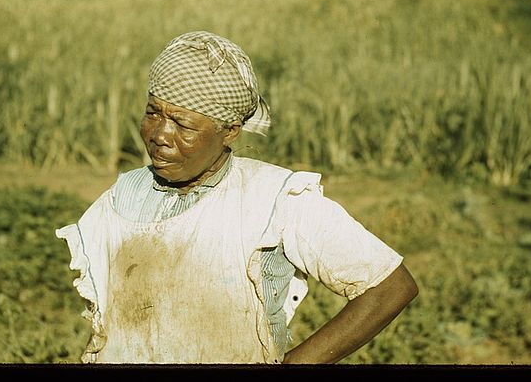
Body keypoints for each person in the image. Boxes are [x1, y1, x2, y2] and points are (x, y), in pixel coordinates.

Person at [56, 30, 418, 364]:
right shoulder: (121, 197)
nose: (160, 135)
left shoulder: (276, 199)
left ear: (229, 131)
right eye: (153, 113)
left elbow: (389, 286)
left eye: (182, 124)